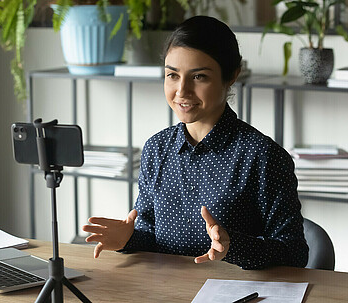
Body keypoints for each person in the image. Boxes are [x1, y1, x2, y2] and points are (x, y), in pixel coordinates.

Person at [82, 15, 308, 269]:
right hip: (167, 288)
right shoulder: (156, 149)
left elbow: (294, 254)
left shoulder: (262, 155)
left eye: (199, 77)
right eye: (172, 75)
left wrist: (232, 246)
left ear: (232, 75)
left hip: (236, 291)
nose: (181, 91)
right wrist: (127, 239)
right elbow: (149, 236)